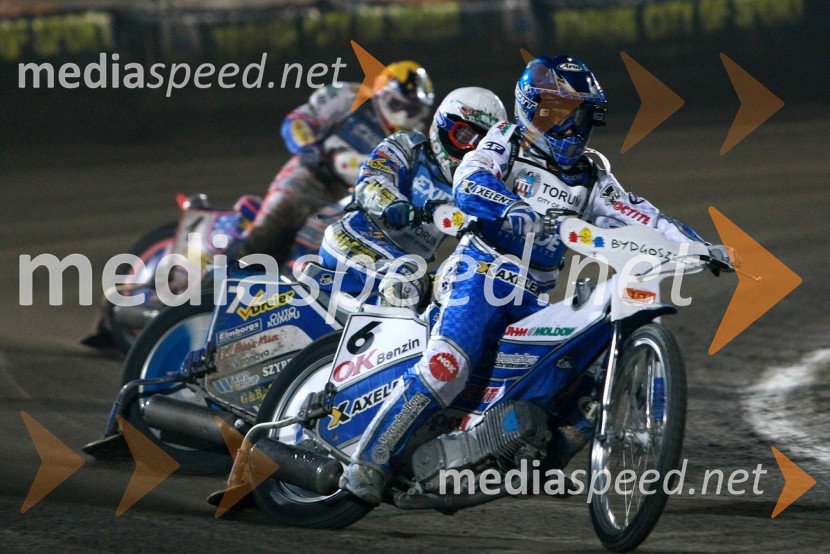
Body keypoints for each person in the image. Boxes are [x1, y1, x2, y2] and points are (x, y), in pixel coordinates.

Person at [340, 55, 733, 504]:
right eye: (558, 114)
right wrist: (509, 207)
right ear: (531, 108)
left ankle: (531, 464)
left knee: (581, 382)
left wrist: (701, 247)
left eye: (578, 117)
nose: (569, 128)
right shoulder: (505, 141)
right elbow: (471, 178)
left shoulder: (591, 174)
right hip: (478, 272)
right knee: (447, 365)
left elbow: (642, 214)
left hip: (533, 294)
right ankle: (367, 461)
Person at [228, 61, 435, 270]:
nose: (402, 115)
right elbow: (298, 120)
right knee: (267, 231)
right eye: (397, 105)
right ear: (382, 94)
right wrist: (308, 148)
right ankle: (220, 279)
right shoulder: (350, 96)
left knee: (323, 259)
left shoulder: (413, 141)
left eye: (412, 111)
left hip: (353, 200)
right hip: (311, 175)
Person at [318, 87, 508, 306]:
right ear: (443, 124)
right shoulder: (407, 145)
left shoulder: (475, 186)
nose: (470, 149)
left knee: (465, 292)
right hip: (353, 238)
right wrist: (391, 201)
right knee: (406, 278)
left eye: (481, 144)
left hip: (404, 267)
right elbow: (371, 179)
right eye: (464, 136)